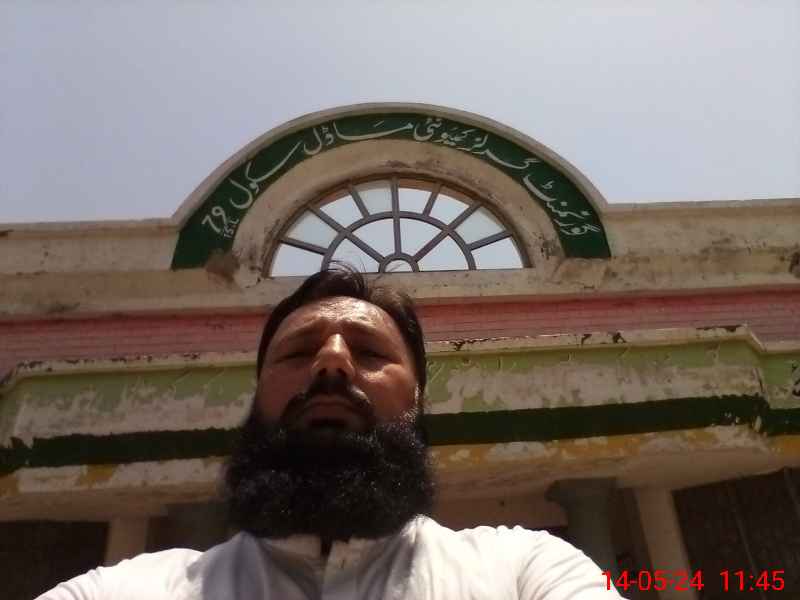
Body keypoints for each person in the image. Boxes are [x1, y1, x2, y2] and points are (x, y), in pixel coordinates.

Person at [38, 266, 624, 599]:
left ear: (417, 401)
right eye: (298, 353)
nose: (332, 363)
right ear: (257, 398)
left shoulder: (521, 571)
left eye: (369, 352)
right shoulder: (135, 589)